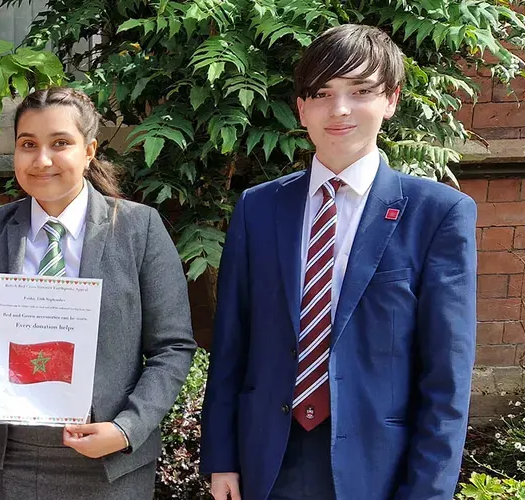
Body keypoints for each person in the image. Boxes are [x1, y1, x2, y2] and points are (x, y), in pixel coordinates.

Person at [199, 24, 478, 500]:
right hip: (267, 458)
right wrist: (221, 458)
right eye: (322, 93)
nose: (340, 109)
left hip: (379, 467)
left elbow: (446, 375)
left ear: (391, 100)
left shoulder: (437, 214)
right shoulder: (258, 207)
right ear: (301, 107)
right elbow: (231, 343)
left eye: (361, 91)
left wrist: (428, 492)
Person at [0, 86, 198, 499]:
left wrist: (127, 429)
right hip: (12, 459)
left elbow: (172, 347)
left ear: (89, 151)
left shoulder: (138, 229)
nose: (42, 159)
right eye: (28, 144)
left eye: (60, 143)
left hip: (109, 460)